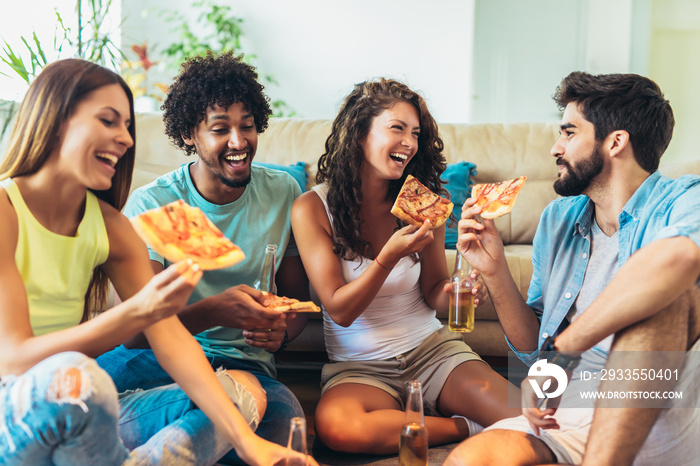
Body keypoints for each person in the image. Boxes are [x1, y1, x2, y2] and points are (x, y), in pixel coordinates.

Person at [0, 58, 312, 466]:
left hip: (82, 399)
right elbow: (14, 358)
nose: (126, 139)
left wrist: (247, 441)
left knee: (246, 394)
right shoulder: (7, 210)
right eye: (108, 121)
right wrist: (142, 311)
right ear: (57, 122)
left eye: (127, 126)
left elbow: (168, 337)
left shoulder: (109, 226)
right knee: (83, 379)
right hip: (21, 399)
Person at [445, 72, 700, 465]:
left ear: (615, 142)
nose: (554, 148)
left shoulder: (685, 199)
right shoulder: (558, 219)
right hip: (570, 400)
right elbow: (533, 351)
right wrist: (494, 270)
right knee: (469, 460)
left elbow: (680, 258)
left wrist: (566, 349)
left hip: (660, 399)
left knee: (670, 297)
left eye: (568, 132)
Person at [96, 51, 312, 464]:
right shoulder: (155, 203)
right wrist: (215, 311)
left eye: (247, 126)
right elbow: (137, 332)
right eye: (220, 129)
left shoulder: (284, 193)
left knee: (287, 440)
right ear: (190, 134)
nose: (238, 142)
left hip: (247, 366)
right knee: (79, 403)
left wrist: (281, 333)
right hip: (155, 357)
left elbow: (297, 302)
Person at [290, 78, 521, 455]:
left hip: (431, 351)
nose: (409, 143)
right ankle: (464, 427)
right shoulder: (312, 208)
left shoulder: (421, 201)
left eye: (415, 133)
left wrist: (456, 295)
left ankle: (433, 423)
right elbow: (340, 309)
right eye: (397, 128)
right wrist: (387, 257)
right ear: (359, 133)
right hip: (360, 370)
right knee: (338, 429)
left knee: (526, 415)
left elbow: (434, 292)